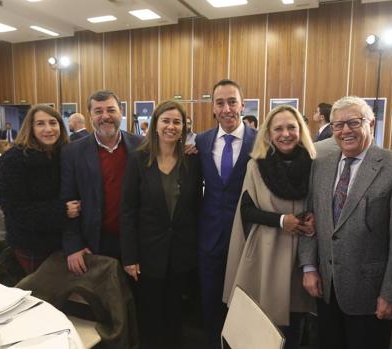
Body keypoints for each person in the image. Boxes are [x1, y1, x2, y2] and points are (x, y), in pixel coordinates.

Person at [299, 96, 392, 349]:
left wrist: (391, 293)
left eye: (354, 122)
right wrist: (308, 267)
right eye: (338, 125)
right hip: (327, 289)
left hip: (371, 296)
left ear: (370, 123)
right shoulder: (321, 165)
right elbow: (310, 218)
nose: (345, 130)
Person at [223, 105, 316, 349]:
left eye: (291, 127)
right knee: (265, 328)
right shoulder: (256, 165)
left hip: (301, 254)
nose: (285, 134)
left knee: (296, 323)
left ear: (301, 130)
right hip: (267, 252)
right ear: (269, 134)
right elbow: (247, 210)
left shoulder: (315, 163)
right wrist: (282, 220)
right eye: (278, 129)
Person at [121, 100, 203, 349]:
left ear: (184, 127)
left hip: (180, 254)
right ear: (155, 125)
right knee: (149, 317)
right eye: (165, 120)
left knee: (176, 317)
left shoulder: (192, 161)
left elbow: (196, 208)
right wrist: (129, 256)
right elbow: (128, 211)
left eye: (177, 121)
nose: (171, 126)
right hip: (147, 256)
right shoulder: (138, 160)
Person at [195, 79, 257, 348]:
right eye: (220, 102)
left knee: (244, 302)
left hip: (247, 236)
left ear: (243, 104)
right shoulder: (201, 140)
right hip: (209, 237)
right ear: (213, 108)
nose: (227, 108)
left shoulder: (261, 141)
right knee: (210, 302)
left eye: (232, 101)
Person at [61, 90, 143, 274]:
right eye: (98, 111)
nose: (105, 116)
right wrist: (73, 246)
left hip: (136, 241)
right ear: (90, 115)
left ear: (121, 112)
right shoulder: (72, 153)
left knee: (138, 299)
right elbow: (67, 202)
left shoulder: (142, 146)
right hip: (94, 244)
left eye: (111, 110)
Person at [0, 105, 69, 274]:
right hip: (32, 243)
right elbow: (14, 209)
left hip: (64, 240)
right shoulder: (14, 159)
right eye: (40, 124)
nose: (48, 129)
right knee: (43, 293)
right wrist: (61, 210)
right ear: (30, 127)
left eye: (53, 123)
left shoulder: (64, 154)